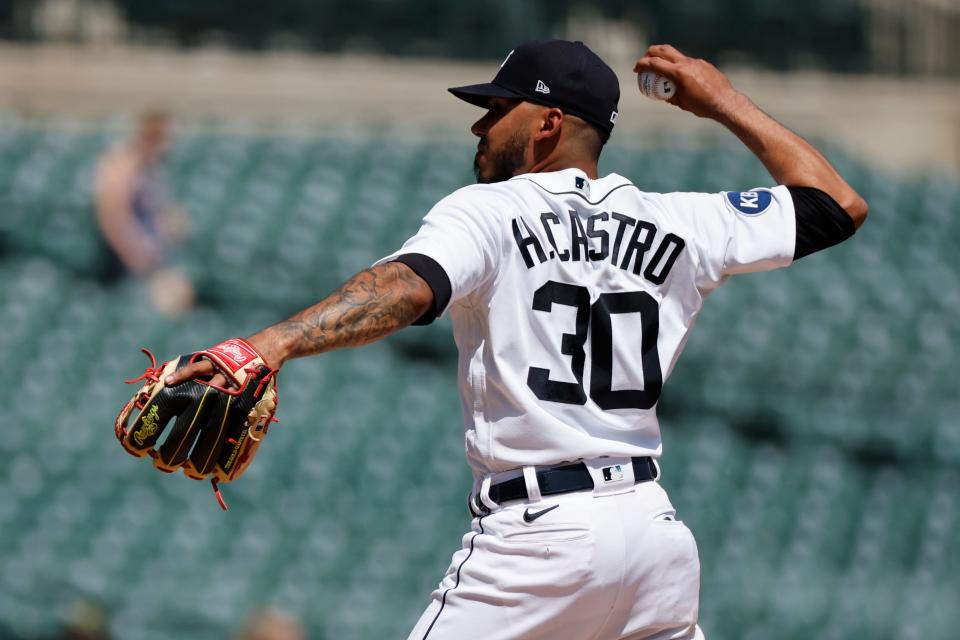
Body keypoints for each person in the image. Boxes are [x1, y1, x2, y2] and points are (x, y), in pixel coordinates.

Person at [163, 40, 867, 639]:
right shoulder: (677, 222)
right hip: (653, 537)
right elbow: (837, 204)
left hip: (540, 539)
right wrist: (718, 99)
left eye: (497, 110)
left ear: (548, 124)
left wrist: (270, 345)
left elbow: (408, 288)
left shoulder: (490, 210)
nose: (479, 127)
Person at [94, 110, 194, 316]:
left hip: (153, 252)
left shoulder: (152, 166)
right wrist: (136, 255)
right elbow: (112, 214)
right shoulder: (123, 163)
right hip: (128, 260)